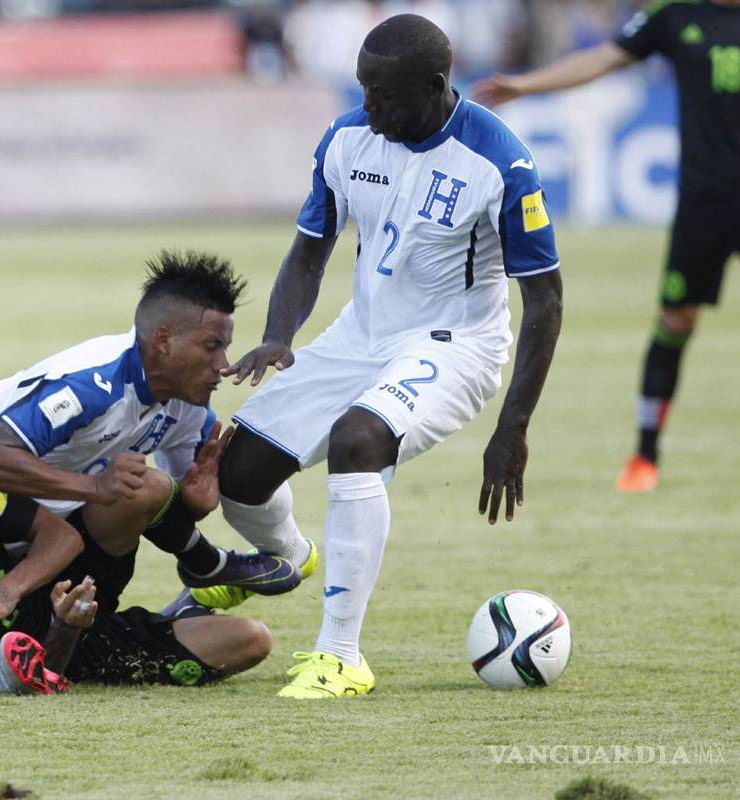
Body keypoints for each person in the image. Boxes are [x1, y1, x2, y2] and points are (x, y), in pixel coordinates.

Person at [167, 14, 563, 699]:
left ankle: (340, 656)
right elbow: (310, 248)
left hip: (456, 345)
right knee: (236, 473)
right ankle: (290, 559)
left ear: (437, 85)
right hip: (361, 335)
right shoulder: (349, 137)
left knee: (360, 437)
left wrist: (513, 425)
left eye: (385, 95)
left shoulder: (501, 163)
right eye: (364, 90)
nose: (369, 107)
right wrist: (282, 334)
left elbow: (546, 302)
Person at [0, 251, 297, 688]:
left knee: (139, 490)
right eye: (212, 346)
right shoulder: (93, 385)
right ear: (164, 340)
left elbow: (158, 501)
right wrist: (93, 487)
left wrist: (189, 505)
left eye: (225, 346)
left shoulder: (186, 406)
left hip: (9, 497)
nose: (224, 364)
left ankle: (200, 568)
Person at [472, 0, 740, 493]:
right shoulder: (678, 14)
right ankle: (645, 455)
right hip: (703, 203)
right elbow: (604, 58)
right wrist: (526, 85)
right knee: (676, 320)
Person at [0, 464, 271, 693]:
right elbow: (26, 681)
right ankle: (181, 615)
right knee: (253, 640)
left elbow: (61, 536)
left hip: (61, 573)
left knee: (142, 485)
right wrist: (66, 625)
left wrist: (8, 589)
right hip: (73, 646)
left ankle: (204, 566)